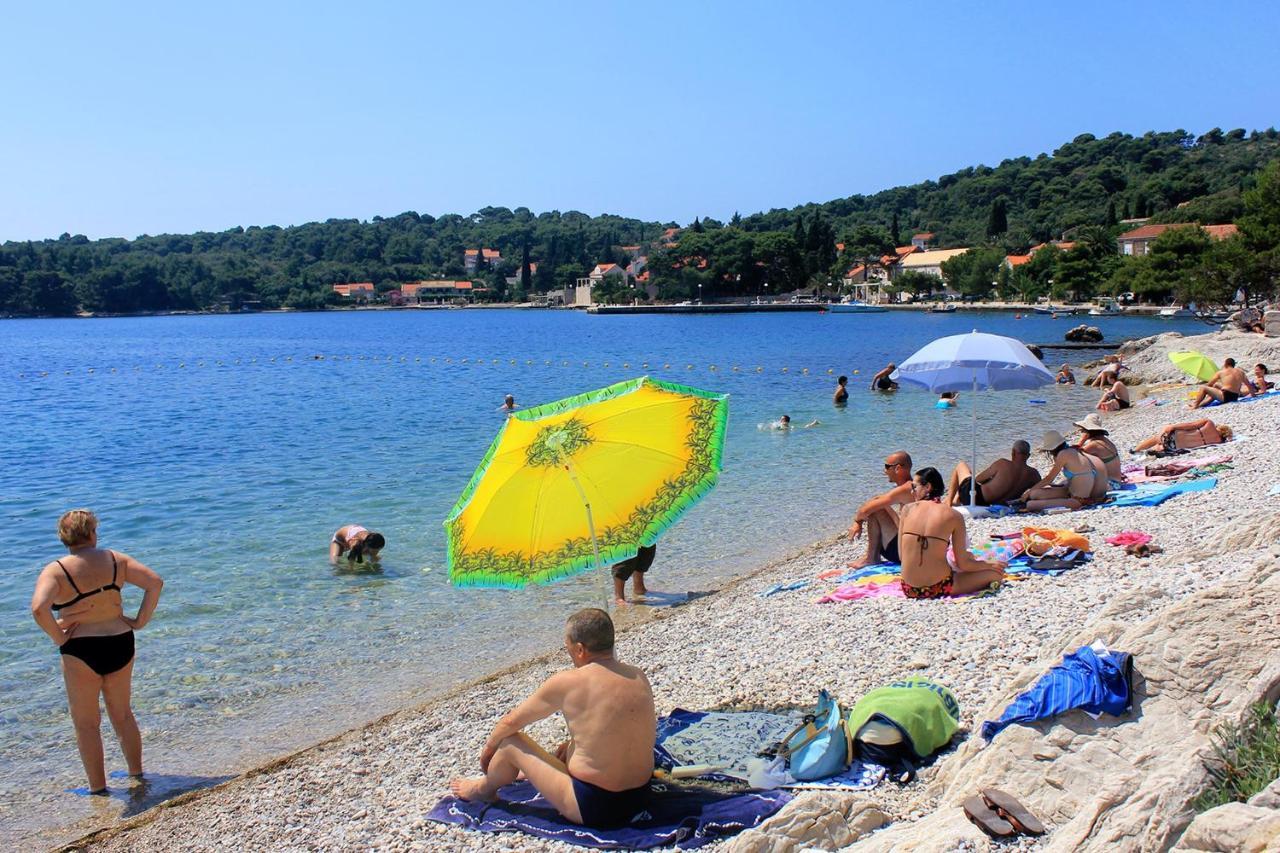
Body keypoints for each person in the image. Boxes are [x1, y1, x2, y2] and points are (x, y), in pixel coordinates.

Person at [449, 609, 655, 828]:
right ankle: (523, 772)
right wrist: (573, 746)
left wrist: (488, 753)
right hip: (642, 797)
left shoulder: (569, 682)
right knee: (569, 746)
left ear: (580, 649)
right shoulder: (637, 675)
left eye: (568, 649)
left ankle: (483, 790)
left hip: (596, 806)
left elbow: (510, 723)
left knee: (511, 743)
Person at [29, 510, 164, 795]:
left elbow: (39, 609)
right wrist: (140, 621)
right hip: (120, 640)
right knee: (123, 714)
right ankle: (137, 774)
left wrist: (59, 637)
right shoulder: (115, 559)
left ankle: (98, 789)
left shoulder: (56, 570)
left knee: (87, 724)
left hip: (81, 649)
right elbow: (155, 582)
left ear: (63, 538)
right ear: (93, 534)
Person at [898, 468, 1005, 599]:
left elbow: (902, 556)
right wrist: (990, 564)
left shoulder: (906, 510)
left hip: (909, 588)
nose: (911, 491)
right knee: (995, 575)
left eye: (914, 487)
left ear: (928, 487)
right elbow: (963, 564)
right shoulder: (953, 515)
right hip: (939, 586)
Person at [846, 451, 915, 567]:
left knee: (876, 509)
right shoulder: (913, 486)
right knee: (878, 503)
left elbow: (866, 510)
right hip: (912, 548)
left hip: (905, 553)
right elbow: (877, 500)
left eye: (887, 467)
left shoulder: (905, 489)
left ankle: (871, 557)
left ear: (897, 468)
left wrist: (857, 522)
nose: (884, 471)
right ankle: (870, 556)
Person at [1019, 431, 1109, 512]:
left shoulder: (1063, 455)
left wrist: (1029, 492)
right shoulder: (1073, 451)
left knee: (1030, 504)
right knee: (1035, 494)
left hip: (1078, 500)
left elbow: (1049, 478)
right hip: (1073, 493)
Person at [945, 440, 1040, 507]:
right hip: (992, 505)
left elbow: (978, 479)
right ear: (1028, 455)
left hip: (975, 498)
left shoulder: (1003, 463)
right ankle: (956, 499)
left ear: (1013, 452)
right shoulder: (1033, 474)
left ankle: (948, 503)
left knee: (961, 466)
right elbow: (1040, 489)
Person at [1073, 413, 1123, 486]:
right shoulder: (1104, 440)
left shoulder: (1094, 445)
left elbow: (1073, 457)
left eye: (1083, 430)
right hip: (1116, 481)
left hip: (1111, 484)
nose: (1081, 432)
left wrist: (1081, 441)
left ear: (1088, 431)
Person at [1132, 419, 1233, 453]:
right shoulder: (1218, 441)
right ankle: (1150, 451)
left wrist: (1173, 426)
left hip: (1174, 436)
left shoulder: (1209, 423)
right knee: (1160, 446)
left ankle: (1136, 450)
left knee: (1156, 438)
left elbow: (1189, 425)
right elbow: (1228, 440)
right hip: (1175, 447)